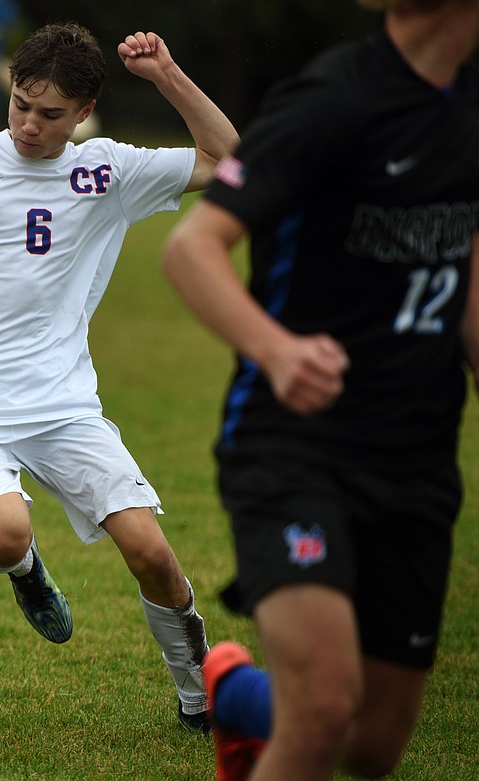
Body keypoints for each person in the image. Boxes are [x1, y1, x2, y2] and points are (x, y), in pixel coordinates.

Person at [0, 23, 238, 732]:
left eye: (49, 115)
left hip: (63, 405)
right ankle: (25, 572)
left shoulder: (107, 170)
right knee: (5, 534)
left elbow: (227, 160)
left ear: (85, 110)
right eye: (19, 105)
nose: (29, 126)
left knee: (151, 552)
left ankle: (200, 699)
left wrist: (166, 74)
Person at [161, 0, 479, 778]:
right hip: (297, 447)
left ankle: (235, 693)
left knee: (374, 744)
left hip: (419, 459)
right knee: (325, 705)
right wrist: (276, 349)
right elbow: (193, 249)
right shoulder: (333, 102)